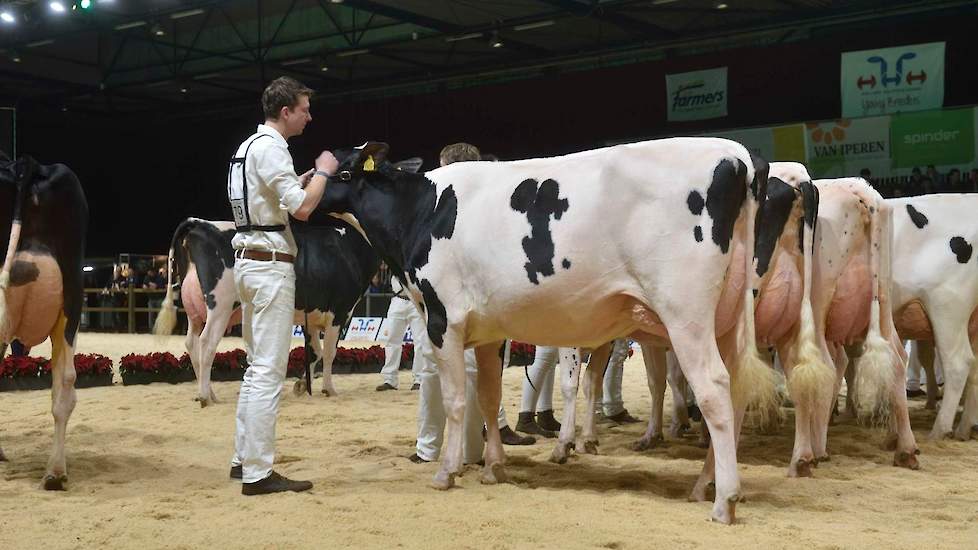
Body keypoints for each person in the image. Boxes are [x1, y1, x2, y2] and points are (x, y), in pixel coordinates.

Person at [226, 76, 338, 496]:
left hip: (249, 261)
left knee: (256, 367)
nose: (310, 116)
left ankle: (243, 459)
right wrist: (324, 173)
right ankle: (258, 472)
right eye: (305, 109)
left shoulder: (247, 147)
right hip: (269, 264)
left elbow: (272, 197)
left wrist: (302, 176)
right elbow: (305, 208)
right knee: (269, 370)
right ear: (286, 111)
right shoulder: (273, 148)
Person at [376, 276, 425, 392]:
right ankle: (389, 379)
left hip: (416, 300)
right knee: (392, 340)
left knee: (420, 342)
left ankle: (419, 379)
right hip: (398, 299)